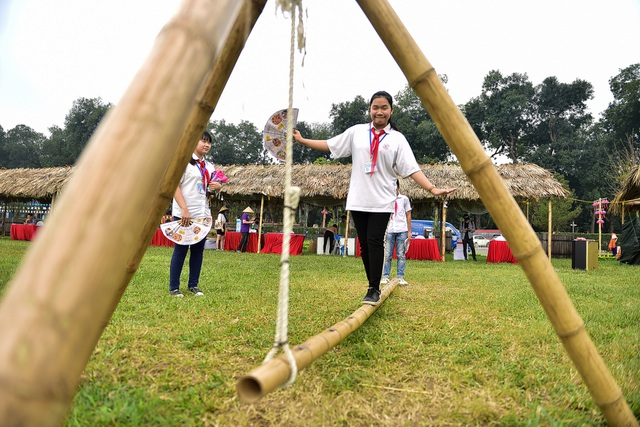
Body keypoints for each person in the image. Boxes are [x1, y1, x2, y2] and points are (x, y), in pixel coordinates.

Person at [293, 90, 456, 305]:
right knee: (365, 245)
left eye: (384, 107)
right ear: (370, 109)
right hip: (359, 199)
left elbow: (411, 169)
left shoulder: (397, 139)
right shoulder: (357, 132)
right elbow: (330, 145)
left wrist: (432, 188)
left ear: (391, 110)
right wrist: (303, 140)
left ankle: (373, 288)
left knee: (374, 241)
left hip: (382, 201)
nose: (379, 112)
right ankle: (372, 283)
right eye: (375, 107)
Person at [169, 131, 223, 297]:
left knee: (198, 251)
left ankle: (193, 285)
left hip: (202, 214)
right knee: (181, 249)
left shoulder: (209, 166)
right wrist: (184, 209)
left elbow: (207, 192)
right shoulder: (184, 162)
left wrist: (217, 188)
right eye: (203, 141)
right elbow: (174, 187)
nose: (206, 145)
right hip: (185, 213)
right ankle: (174, 288)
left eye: (209, 142)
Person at [381, 180, 412, 285]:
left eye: (395, 186)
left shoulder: (404, 199)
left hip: (402, 230)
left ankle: (400, 277)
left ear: (398, 187)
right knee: (388, 254)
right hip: (390, 230)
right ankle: (385, 276)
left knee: (401, 254)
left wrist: (409, 231)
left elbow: (408, 215)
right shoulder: (386, 199)